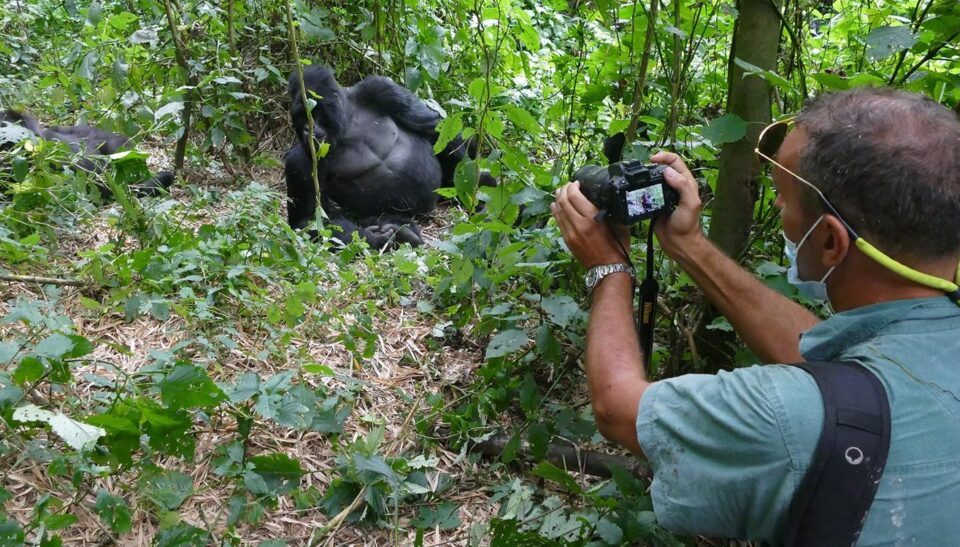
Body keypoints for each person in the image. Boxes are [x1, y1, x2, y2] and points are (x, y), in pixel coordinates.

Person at [551, 86, 960, 543]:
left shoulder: (782, 421)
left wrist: (609, 268)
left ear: (830, 242)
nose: (779, 208)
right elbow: (841, 376)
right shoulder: (911, 358)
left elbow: (618, 407)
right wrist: (689, 246)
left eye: (782, 197)